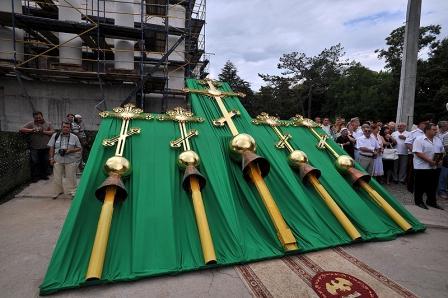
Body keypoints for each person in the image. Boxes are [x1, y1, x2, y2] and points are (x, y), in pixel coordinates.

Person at [412, 123, 444, 210]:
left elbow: (442, 151)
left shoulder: (438, 140)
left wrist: (440, 160)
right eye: (434, 129)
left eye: (436, 129)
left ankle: (431, 201)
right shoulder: (419, 139)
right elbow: (418, 153)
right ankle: (419, 202)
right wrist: (431, 161)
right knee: (420, 186)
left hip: (434, 167)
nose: (436, 131)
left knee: (433, 186)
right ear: (427, 130)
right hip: (422, 167)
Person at [48, 121, 82, 198]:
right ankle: (58, 191)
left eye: (67, 127)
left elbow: (79, 148)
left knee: (71, 177)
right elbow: (51, 147)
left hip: (70, 160)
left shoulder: (74, 137)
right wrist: (51, 158)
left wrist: (70, 150)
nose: (65, 128)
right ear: (61, 127)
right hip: (58, 159)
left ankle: (73, 191)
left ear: (70, 128)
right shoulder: (55, 135)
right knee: (57, 177)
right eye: (64, 127)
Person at [19, 111, 54, 182]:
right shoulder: (31, 124)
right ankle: (35, 177)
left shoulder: (48, 123)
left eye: (39, 117)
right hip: (34, 147)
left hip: (45, 147)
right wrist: (32, 130)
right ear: (34, 118)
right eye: (36, 118)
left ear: (42, 116)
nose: (38, 119)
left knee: (45, 162)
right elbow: (21, 129)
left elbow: (53, 132)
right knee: (35, 162)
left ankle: (44, 175)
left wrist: (43, 132)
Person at [405, 114, 432, 192]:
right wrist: (415, 151)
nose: (427, 125)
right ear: (420, 124)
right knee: (412, 172)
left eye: (428, 124)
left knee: (424, 172)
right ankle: (410, 187)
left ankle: (422, 188)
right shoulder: (413, 133)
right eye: (426, 123)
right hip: (415, 155)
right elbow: (408, 143)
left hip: (426, 156)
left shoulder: (428, 133)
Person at [437, 121, 448, 199]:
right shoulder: (436, 133)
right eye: (446, 126)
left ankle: (442, 189)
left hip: (443, 154)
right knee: (438, 172)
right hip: (438, 154)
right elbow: (446, 147)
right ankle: (440, 190)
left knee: (443, 173)